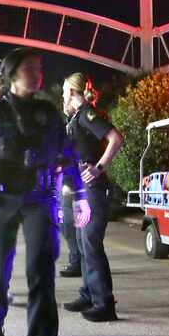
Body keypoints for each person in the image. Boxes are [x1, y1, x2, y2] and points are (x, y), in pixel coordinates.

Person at [0, 48, 91, 336]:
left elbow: (68, 153)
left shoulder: (47, 112)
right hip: (0, 198)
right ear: (12, 73)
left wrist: (80, 194)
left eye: (38, 67)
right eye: (29, 67)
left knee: (42, 272)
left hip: (40, 197)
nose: (36, 73)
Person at [61, 73, 124, 322]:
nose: (62, 96)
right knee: (82, 242)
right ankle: (88, 294)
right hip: (80, 190)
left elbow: (115, 139)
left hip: (94, 189)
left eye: (65, 91)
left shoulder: (87, 114)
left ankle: (104, 302)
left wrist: (98, 167)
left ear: (73, 93)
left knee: (91, 244)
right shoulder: (76, 118)